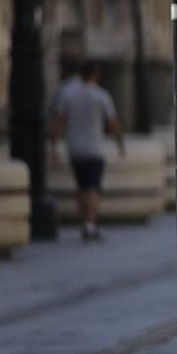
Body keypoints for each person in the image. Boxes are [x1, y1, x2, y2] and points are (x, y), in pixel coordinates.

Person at [50, 61, 124, 241]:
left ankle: (85, 222)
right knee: (93, 188)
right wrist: (120, 143)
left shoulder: (68, 95)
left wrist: (54, 146)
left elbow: (58, 122)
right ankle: (90, 225)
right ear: (95, 75)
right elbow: (112, 122)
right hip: (94, 149)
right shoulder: (101, 96)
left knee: (82, 187)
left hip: (75, 149)